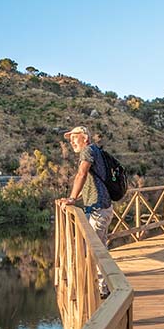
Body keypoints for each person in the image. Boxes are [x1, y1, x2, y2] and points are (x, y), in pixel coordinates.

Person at [56, 125, 113, 295]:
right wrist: (74, 197)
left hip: (98, 208)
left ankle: (103, 289)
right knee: (99, 247)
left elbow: (81, 174)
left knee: (94, 249)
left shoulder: (87, 151)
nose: (72, 141)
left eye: (75, 137)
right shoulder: (95, 151)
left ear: (85, 137)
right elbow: (90, 182)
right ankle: (104, 287)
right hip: (101, 206)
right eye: (70, 138)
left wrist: (72, 199)